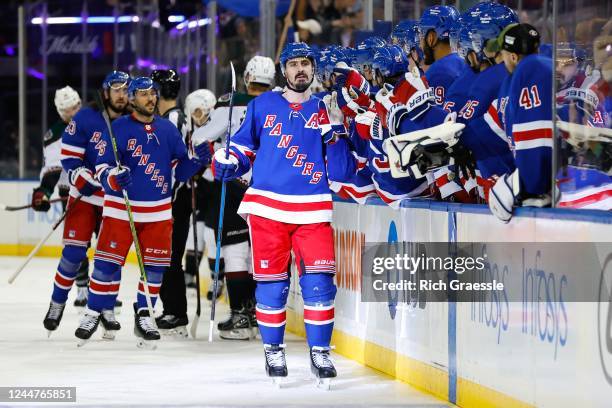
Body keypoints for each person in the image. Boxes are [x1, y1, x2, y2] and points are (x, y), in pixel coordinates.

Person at [212, 42, 354, 384]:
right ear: (284, 70)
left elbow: (344, 171)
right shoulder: (263, 105)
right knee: (272, 287)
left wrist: (334, 132)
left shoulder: (326, 108)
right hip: (267, 209)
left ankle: (320, 353)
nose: (300, 69)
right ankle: (273, 349)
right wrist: (228, 161)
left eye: (307, 63)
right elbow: (243, 149)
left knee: (320, 285)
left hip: (313, 211)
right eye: (294, 64)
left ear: (313, 69)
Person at [74, 77, 211, 347]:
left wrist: (197, 162)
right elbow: (101, 168)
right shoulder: (117, 129)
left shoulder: (168, 131)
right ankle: (92, 312)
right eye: (143, 94)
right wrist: (114, 179)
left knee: (155, 268)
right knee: (106, 265)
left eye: (153, 94)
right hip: (120, 210)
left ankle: (144, 314)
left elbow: (179, 171)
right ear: (133, 98)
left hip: (158, 212)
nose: (150, 99)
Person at [193, 55, 276, 340]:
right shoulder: (280, 102)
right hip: (270, 187)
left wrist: (208, 153)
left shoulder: (231, 102)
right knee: (261, 253)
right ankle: (261, 315)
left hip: (235, 186)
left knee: (235, 251)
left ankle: (241, 315)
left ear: (247, 78)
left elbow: (199, 137)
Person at [42, 72, 129, 335]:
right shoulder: (84, 118)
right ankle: (57, 303)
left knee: (110, 258)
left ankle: (107, 308)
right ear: (105, 93)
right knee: (73, 254)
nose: (122, 95)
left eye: (126, 90)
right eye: (116, 90)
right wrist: (80, 177)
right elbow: (68, 157)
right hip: (84, 196)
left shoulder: (131, 119)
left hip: (114, 199)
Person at [487, 23, 554, 222]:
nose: (500, 59)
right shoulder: (540, 67)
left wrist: (522, 184)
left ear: (514, 57)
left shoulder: (529, 70)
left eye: (503, 54)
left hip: (548, 190)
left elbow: (538, 140)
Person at [33, 86, 91, 307]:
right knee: (78, 243)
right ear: (60, 112)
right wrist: (43, 192)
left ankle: (105, 293)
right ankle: (83, 289)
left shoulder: (95, 124)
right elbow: (52, 170)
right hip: (73, 192)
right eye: (68, 111)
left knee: (106, 241)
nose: (73, 113)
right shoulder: (55, 134)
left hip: (101, 190)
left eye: (76, 107)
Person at [150, 69, 194, 336]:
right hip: (170, 197)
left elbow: (176, 163)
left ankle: (176, 313)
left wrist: (166, 198)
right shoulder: (167, 117)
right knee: (165, 256)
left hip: (174, 199)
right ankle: (171, 309)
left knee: (170, 256)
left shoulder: (174, 118)